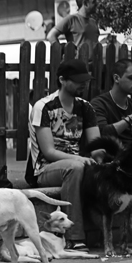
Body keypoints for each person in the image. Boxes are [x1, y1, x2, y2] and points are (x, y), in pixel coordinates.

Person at [28, 59, 102, 249]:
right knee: (76, 167)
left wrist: (101, 161)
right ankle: (74, 237)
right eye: (78, 81)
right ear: (62, 80)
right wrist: (81, 159)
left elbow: (96, 145)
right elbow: (49, 152)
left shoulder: (85, 107)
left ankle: (104, 233)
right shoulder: (44, 106)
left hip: (76, 165)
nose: (84, 84)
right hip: (45, 169)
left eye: (86, 80)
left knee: (97, 169)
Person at [90, 58, 132, 149]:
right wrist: (130, 119)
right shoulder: (99, 103)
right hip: (110, 154)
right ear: (116, 78)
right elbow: (101, 134)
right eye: (131, 78)